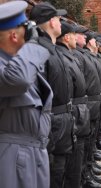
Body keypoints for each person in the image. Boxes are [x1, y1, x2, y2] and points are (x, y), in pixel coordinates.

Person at [0, 1, 52, 188]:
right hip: (11, 157)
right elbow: (18, 80)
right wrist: (33, 44)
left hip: (32, 153)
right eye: (27, 30)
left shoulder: (17, 61)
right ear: (14, 35)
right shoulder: (12, 66)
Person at [29, 2, 75, 187]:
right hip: (51, 124)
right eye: (57, 18)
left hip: (61, 122)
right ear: (50, 22)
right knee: (53, 172)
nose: (60, 22)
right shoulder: (40, 51)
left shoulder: (52, 49)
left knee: (60, 169)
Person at [56, 21, 90, 188]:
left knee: (77, 156)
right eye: (78, 34)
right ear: (68, 37)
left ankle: (83, 177)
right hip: (70, 114)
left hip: (78, 111)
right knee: (67, 163)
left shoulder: (71, 55)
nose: (82, 37)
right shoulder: (63, 56)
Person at [72, 25, 101, 188]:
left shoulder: (84, 55)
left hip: (92, 101)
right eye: (84, 36)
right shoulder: (78, 56)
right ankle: (85, 175)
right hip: (84, 104)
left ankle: (88, 170)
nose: (87, 39)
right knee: (82, 145)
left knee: (90, 139)